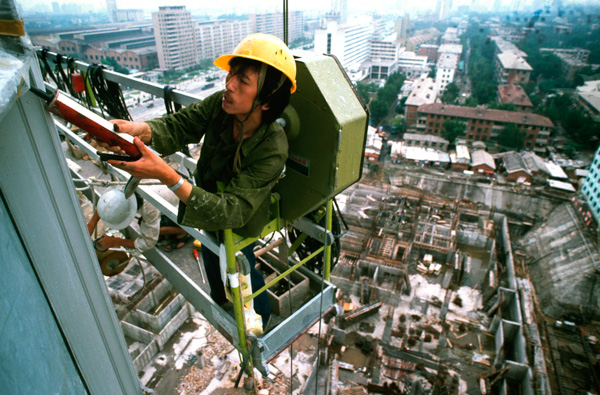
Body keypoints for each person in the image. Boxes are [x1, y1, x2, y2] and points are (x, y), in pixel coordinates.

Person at [103, 33, 297, 329]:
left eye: (243, 81)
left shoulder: (273, 147)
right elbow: (182, 125)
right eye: (232, 73)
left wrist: (168, 176)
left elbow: (234, 209)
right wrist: (140, 130)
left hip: (240, 221)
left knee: (241, 269)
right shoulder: (221, 107)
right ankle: (220, 300)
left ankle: (259, 318)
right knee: (211, 254)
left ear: (267, 102)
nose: (229, 84)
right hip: (205, 204)